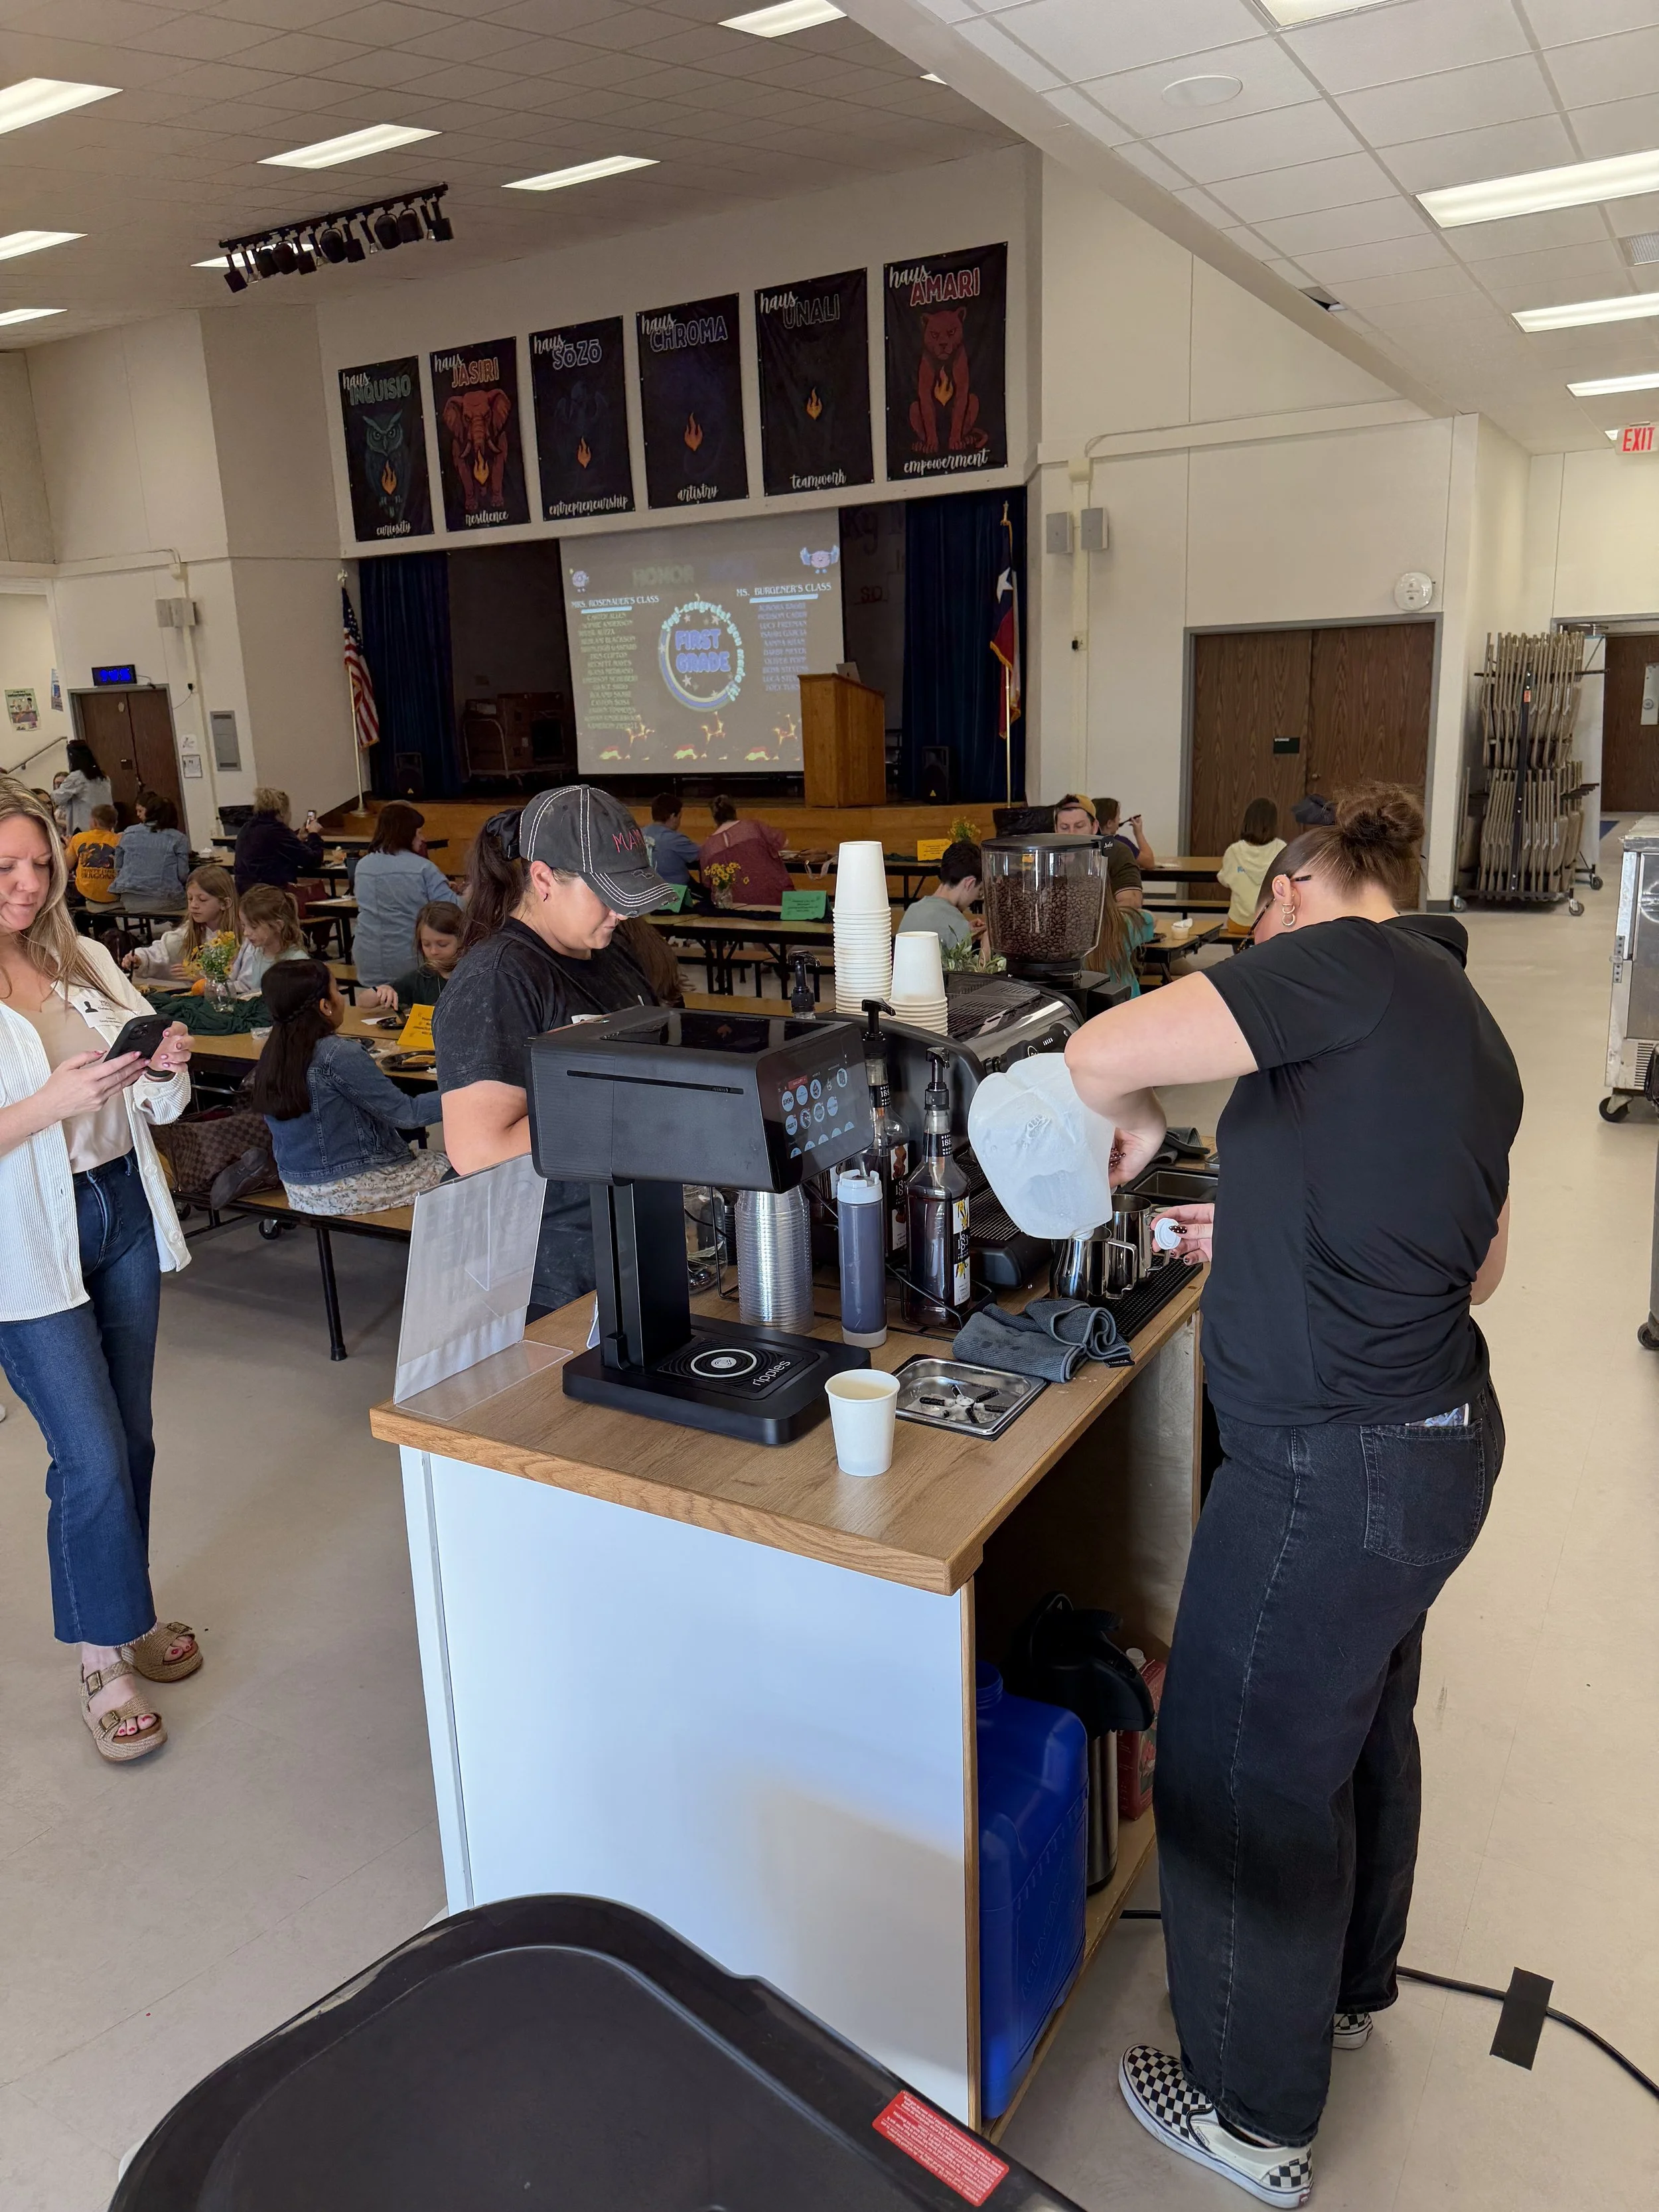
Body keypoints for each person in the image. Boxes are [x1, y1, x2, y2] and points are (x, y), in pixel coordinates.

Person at [1063, 786, 1520, 2203]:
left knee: (1238, 1760)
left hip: (1332, 1465)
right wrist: (1267, 1222)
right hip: (1432, 1442)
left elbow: (1094, 1048)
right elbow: (1476, 1261)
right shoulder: (1464, 1021)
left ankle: (1248, 2115)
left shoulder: (1340, 963)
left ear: (1305, 888)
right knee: (1356, 1729)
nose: (1257, 930)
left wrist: (1132, 1116)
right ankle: (1341, 1985)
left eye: (1265, 904)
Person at [0, 781, 198, 1764]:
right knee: (86, 1449)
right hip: (25, 1242)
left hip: (117, 1203)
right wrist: (46, 1103)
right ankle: (98, 1655)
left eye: (40, 865)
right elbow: (40, 1113)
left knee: (133, 1433)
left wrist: (164, 1063)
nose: (28, 886)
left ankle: (128, 1609)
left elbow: (158, 1098)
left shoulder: (74, 956)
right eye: (6, 869)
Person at [435, 789, 665, 1320]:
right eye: (605, 895)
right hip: (545, 1269)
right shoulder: (499, 978)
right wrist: (626, 1105)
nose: (619, 913)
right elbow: (478, 1149)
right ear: (542, 879)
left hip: (618, 1234)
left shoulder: (607, 949)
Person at [250, 959, 447, 1216]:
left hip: (299, 1188)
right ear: (325, 1006)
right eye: (337, 991)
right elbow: (407, 1115)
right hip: (349, 1186)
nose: (342, 999)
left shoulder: (273, 1052)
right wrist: (468, 1094)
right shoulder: (339, 1054)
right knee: (463, 1166)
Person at [350, 802, 453, 988]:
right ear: (407, 833)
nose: (423, 838)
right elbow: (454, 909)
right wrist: (470, 892)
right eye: (419, 832)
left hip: (367, 958)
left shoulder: (363, 866)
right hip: (409, 962)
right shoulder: (422, 868)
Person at [124, 865, 239, 985]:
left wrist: (204, 979)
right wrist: (140, 959)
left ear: (225, 903)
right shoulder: (189, 932)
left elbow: (246, 983)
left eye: (202, 900)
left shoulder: (244, 935)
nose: (194, 905)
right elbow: (162, 951)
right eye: (190, 899)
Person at [362, 901, 464, 1014]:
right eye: (426, 944)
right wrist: (382, 991)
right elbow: (363, 1002)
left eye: (442, 945)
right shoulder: (423, 976)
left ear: (462, 940)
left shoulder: (476, 975)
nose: (433, 951)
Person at [1053, 793, 1143, 911]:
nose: (1072, 833)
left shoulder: (1115, 850)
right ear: (1055, 829)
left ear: (1094, 827)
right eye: (1064, 828)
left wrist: (1091, 919)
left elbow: (1132, 902)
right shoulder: (1047, 857)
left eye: (1079, 826)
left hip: (1108, 925)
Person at [698, 793, 792, 905]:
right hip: (773, 897)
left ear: (714, 818)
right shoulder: (753, 827)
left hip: (733, 906)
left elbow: (707, 882)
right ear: (734, 811)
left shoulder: (708, 846)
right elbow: (784, 842)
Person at [234, 786, 323, 893]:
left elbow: (272, 850)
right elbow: (313, 860)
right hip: (273, 895)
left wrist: (298, 840)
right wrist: (313, 834)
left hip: (246, 893)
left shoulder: (247, 828)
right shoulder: (277, 831)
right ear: (282, 812)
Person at [1216, 796, 1286, 930]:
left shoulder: (1233, 851)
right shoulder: (1281, 849)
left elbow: (1225, 880)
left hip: (1239, 923)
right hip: (1270, 923)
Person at [898, 840, 983, 950]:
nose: (976, 897)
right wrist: (986, 946)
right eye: (979, 890)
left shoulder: (913, 909)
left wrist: (965, 932)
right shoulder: (955, 924)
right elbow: (976, 967)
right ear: (969, 883)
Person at [113, 792, 191, 913]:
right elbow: (182, 875)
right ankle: (178, 929)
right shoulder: (179, 838)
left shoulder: (128, 832)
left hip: (130, 899)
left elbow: (118, 866)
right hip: (164, 898)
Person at [232, 883, 310, 998]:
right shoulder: (259, 952)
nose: (246, 933)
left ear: (278, 926)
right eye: (244, 926)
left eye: (253, 927)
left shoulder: (296, 962)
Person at [54, 741, 113, 839]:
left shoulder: (77, 777)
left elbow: (58, 798)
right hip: (105, 826)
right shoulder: (103, 777)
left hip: (85, 828)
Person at [66, 803, 120, 906]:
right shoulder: (119, 840)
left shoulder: (79, 838)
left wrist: (70, 846)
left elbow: (67, 865)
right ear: (115, 823)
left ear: (94, 822)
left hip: (86, 893)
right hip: (114, 894)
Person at [644, 792, 701, 885]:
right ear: (673, 816)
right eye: (679, 817)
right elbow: (705, 855)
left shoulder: (640, 834)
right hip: (675, 891)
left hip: (647, 889)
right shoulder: (675, 840)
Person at [1097, 795, 1155, 870]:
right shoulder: (1121, 843)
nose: (1120, 819)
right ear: (1110, 824)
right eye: (1118, 817)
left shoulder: (1087, 841)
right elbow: (1149, 863)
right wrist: (1138, 833)